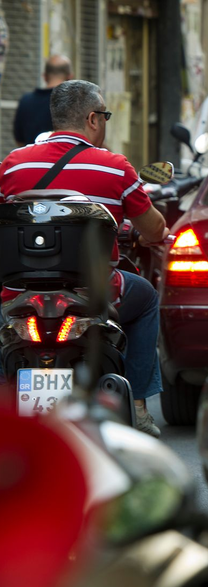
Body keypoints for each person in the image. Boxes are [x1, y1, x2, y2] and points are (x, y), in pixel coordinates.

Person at [0, 80, 170, 437]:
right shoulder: (115, 167)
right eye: (105, 115)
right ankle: (138, 406)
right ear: (93, 119)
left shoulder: (13, 165)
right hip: (97, 290)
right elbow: (154, 230)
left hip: (17, 293)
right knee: (148, 298)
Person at [13, 55, 73, 146]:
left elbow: (19, 140)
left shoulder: (26, 101)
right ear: (70, 77)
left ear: (44, 76)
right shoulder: (74, 102)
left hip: (31, 158)